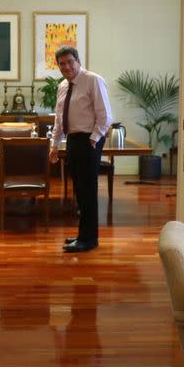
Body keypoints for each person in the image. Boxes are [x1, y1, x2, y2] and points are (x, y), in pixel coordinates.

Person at [49, 46, 112, 252]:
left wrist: (93, 141)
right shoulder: (62, 86)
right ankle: (82, 234)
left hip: (89, 140)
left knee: (87, 190)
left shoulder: (93, 80)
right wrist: (55, 145)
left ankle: (89, 239)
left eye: (70, 62)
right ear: (58, 66)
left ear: (78, 60)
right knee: (79, 190)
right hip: (73, 140)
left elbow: (105, 116)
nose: (67, 67)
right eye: (62, 64)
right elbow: (59, 119)